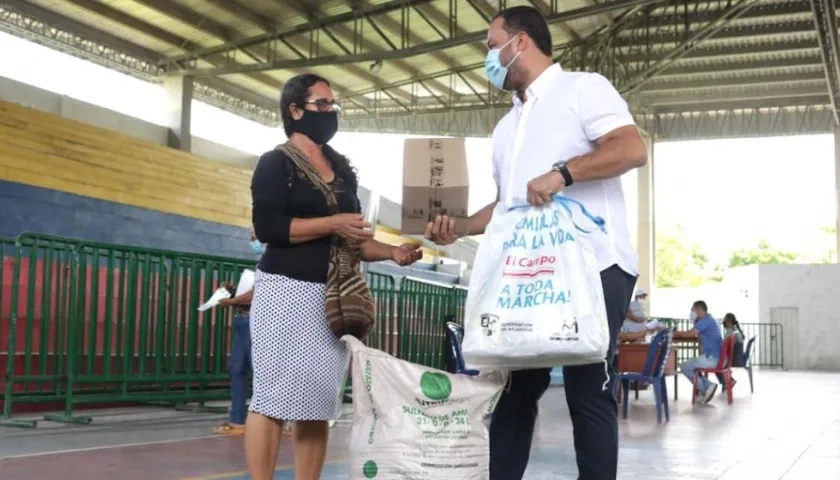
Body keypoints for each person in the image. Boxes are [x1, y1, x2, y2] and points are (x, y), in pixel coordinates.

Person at [424, 6, 648, 479]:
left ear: (519, 42)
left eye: (491, 46)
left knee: (588, 387)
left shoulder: (582, 89)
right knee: (516, 388)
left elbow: (631, 148)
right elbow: (507, 205)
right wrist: (460, 227)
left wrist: (564, 173)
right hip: (527, 276)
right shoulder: (506, 127)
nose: (488, 58)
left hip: (593, 264)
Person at [246, 73, 423, 480]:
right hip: (285, 292)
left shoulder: (343, 171)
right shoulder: (275, 163)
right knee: (271, 398)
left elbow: (356, 240)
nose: (331, 111)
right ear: (295, 110)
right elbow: (270, 227)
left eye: (333, 104)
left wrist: (394, 252)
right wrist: (332, 223)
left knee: (318, 402)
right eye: (322, 104)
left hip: (333, 298)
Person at [213, 230, 262, 436]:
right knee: (237, 369)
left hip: (257, 322)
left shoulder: (277, 261)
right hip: (244, 321)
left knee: (262, 372)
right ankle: (238, 419)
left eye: (256, 237)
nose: (253, 240)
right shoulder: (262, 263)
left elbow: (258, 294)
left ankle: (279, 421)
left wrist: (230, 301)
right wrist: (234, 292)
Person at [673, 300, 723, 403]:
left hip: (712, 358)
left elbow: (689, 334)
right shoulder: (710, 319)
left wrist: (672, 331)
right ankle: (705, 388)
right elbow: (698, 335)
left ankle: (707, 387)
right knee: (691, 366)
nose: (691, 312)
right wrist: (696, 321)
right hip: (716, 357)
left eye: (693, 310)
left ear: (699, 310)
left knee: (684, 367)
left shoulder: (706, 320)